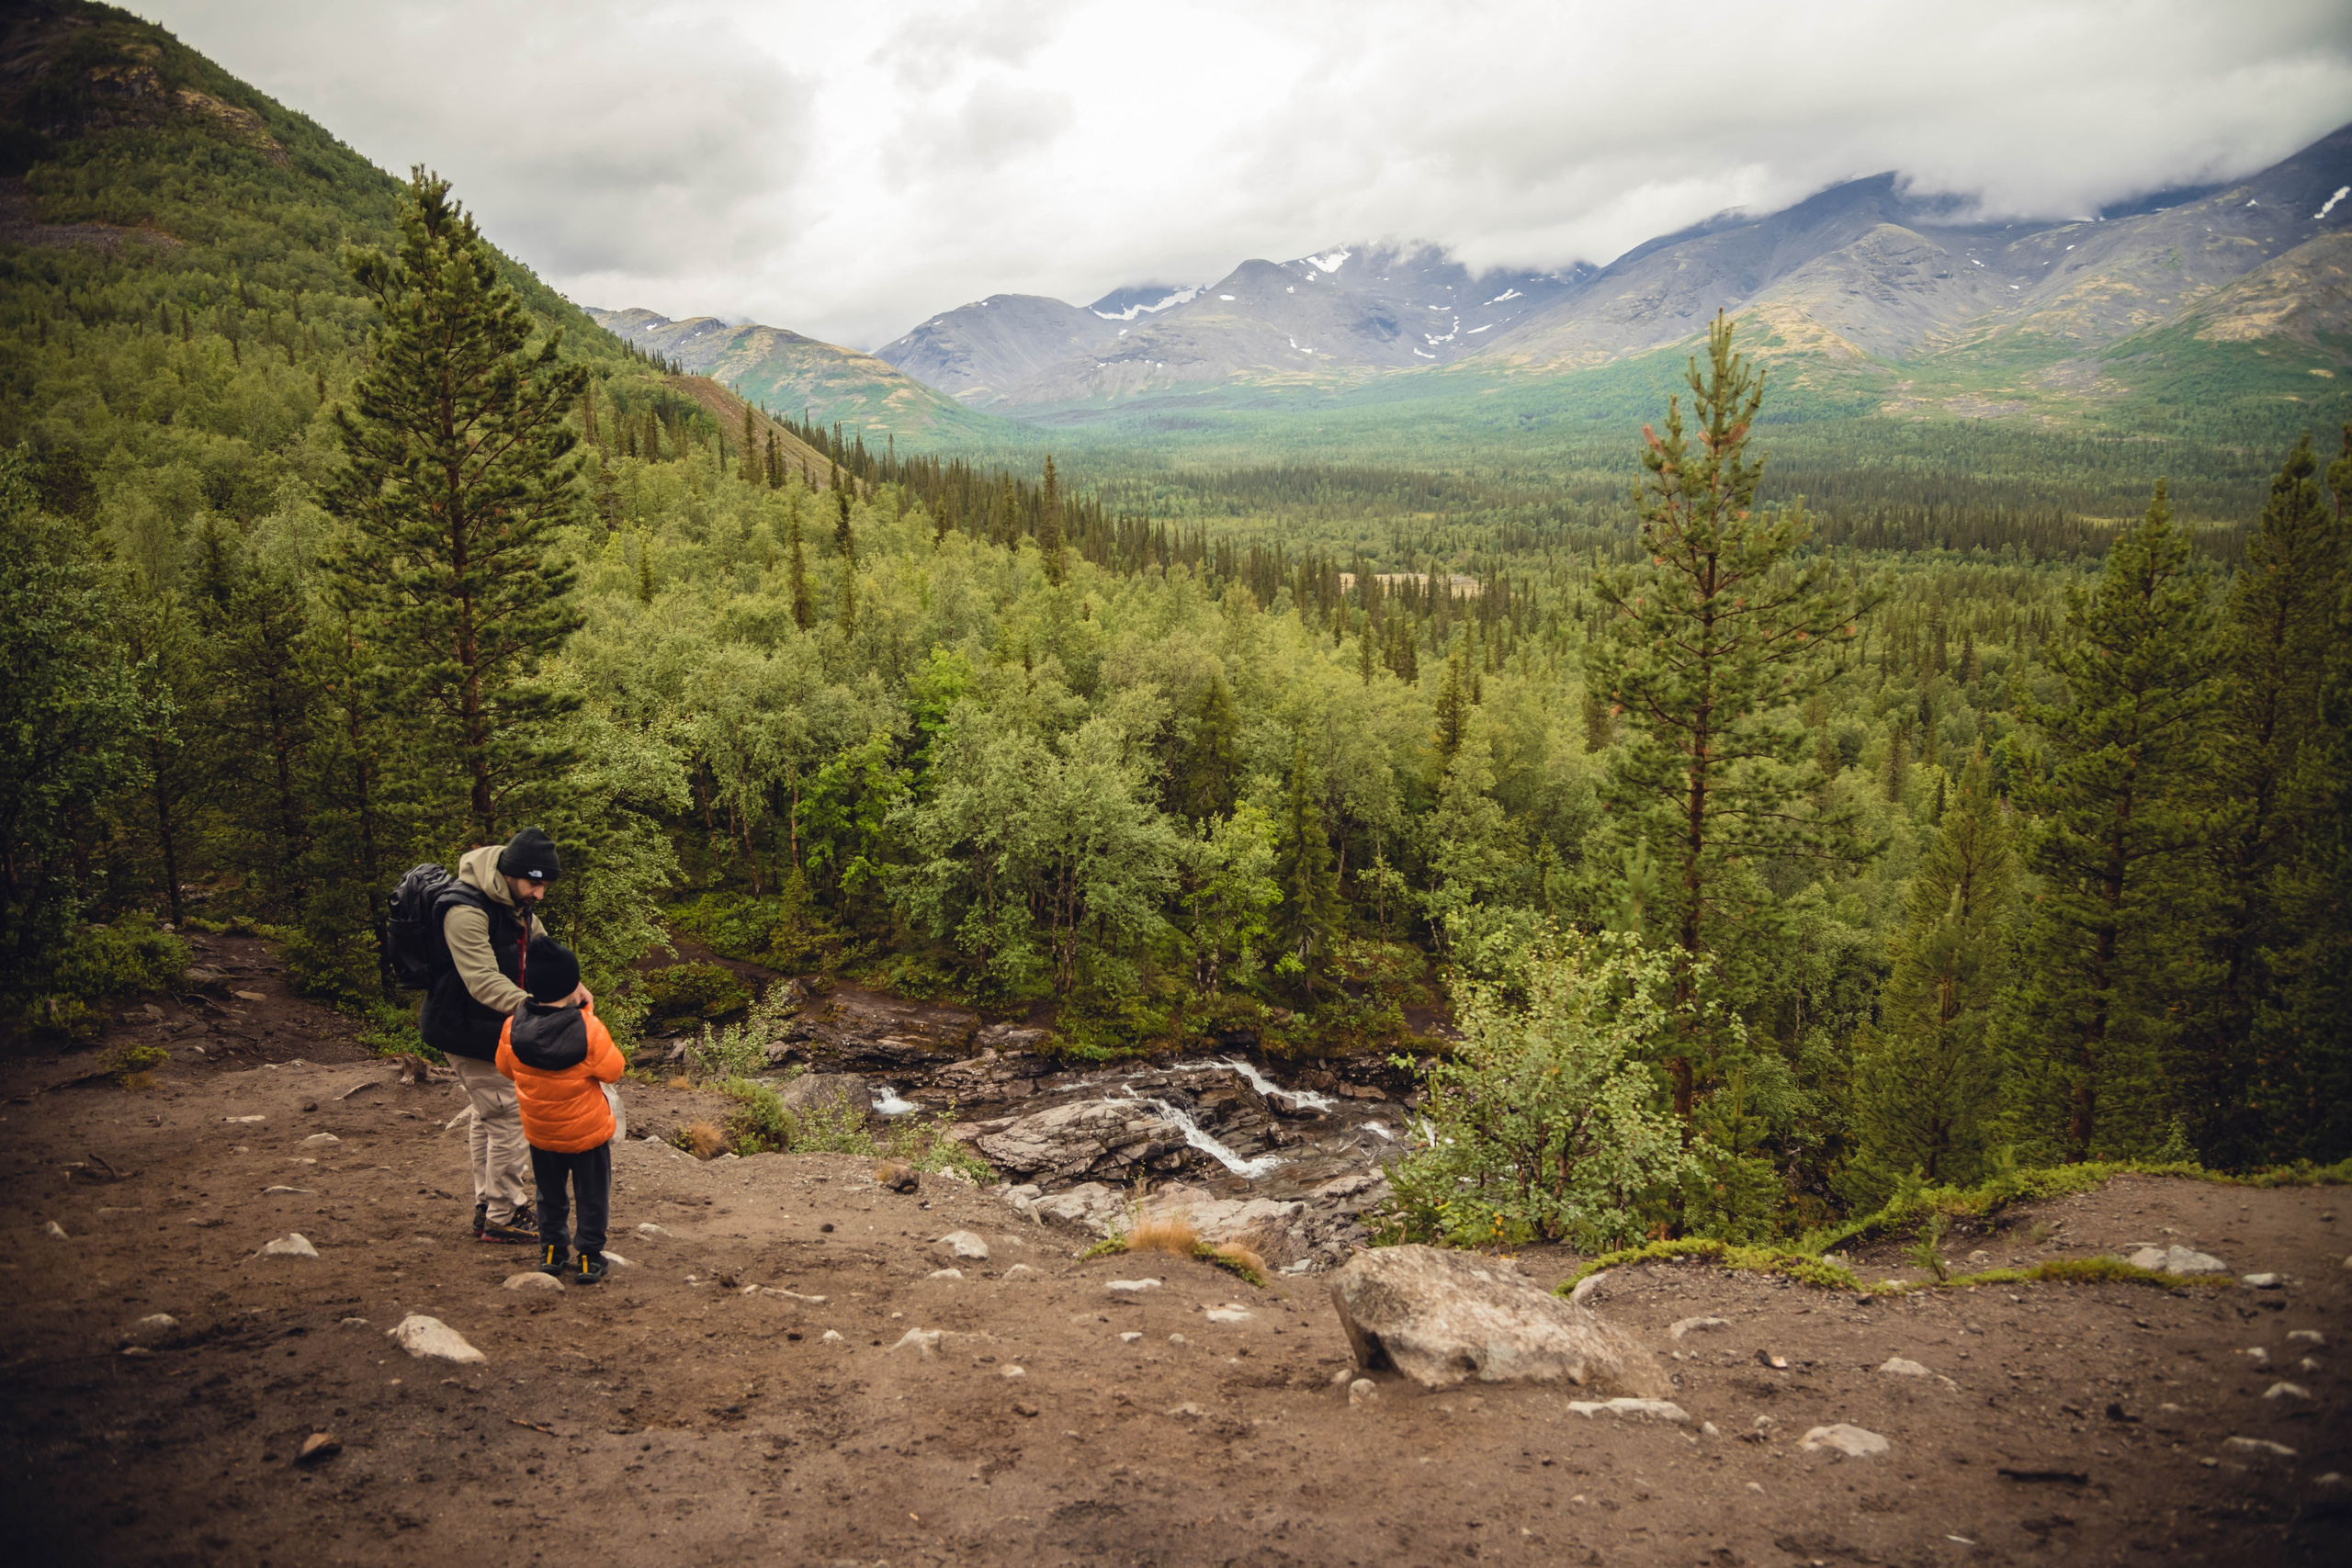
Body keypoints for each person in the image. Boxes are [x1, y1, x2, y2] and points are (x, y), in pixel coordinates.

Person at [419, 827, 581, 1243]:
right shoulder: (465, 910)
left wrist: (574, 987)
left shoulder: (514, 900)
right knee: (510, 1114)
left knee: (488, 1114)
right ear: (511, 873)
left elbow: (541, 946)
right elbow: (483, 981)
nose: (539, 894)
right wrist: (539, 1010)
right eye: (534, 884)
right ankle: (504, 1215)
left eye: (544, 886)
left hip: (491, 1026)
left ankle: (487, 1204)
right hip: (466, 1028)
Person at [495, 936, 625, 1284]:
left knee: (549, 1195)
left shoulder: (513, 1027)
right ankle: (589, 1257)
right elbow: (614, 1070)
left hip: (542, 1135)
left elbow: (505, 1068)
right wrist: (587, 1016)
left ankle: (552, 1251)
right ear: (572, 985)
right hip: (587, 1136)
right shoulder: (589, 1029)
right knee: (591, 1196)